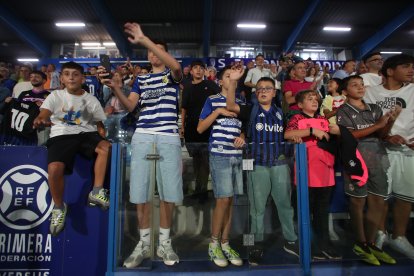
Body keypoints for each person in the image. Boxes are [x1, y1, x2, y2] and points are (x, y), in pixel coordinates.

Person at [101, 22, 183, 267]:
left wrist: (144, 39)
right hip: (143, 136)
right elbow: (131, 107)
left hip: (168, 137)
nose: (152, 54)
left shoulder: (171, 75)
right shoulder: (141, 81)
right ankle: (144, 242)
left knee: (168, 194)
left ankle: (165, 244)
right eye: (149, 51)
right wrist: (117, 88)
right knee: (140, 193)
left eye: (157, 50)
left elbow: (177, 66)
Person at [226, 74, 299, 265]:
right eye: (259, 89)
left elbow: (289, 133)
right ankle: (254, 245)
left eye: (267, 88)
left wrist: (294, 137)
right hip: (256, 164)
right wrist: (233, 83)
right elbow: (230, 106)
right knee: (256, 209)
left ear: (274, 93)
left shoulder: (282, 113)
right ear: (255, 92)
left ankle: (291, 241)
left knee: (285, 206)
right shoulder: (250, 110)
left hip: (280, 163)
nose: (263, 91)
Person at [33, 61, 111, 236]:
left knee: (105, 147)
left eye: (75, 74)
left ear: (83, 78)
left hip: (86, 134)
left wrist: (102, 134)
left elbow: (99, 124)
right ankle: (59, 207)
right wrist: (41, 119)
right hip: (61, 135)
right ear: (61, 78)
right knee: (54, 169)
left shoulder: (91, 99)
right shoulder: (55, 96)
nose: (71, 77)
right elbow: (44, 113)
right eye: (67, 74)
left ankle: (97, 191)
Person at [337, 75, 399, 265]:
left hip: (377, 157)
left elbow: (381, 134)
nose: (360, 87)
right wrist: (378, 125)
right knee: (358, 202)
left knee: (378, 202)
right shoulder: (342, 111)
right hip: (355, 158)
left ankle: (371, 243)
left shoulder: (374, 108)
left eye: (362, 85)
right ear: (345, 91)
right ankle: (360, 243)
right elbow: (349, 135)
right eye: (354, 85)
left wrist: (389, 122)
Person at [364, 54, 414, 260]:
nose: (411, 70)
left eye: (412, 66)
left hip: (409, 150)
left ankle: (399, 236)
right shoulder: (371, 93)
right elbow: (366, 122)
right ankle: (380, 234)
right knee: (380, 197)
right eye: (406, 66)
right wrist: (386, 135)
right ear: (390, 71)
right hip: (379, 149)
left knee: (405, 197)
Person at [284, 89, 341, 260]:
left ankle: (324, 246)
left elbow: (334, 138)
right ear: (300, 105)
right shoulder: (297, 118)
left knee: (322, 213)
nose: (314, 101)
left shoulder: (324, 119)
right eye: (309, 99)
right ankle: (307, 246)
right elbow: (287, 134)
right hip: (305, 173)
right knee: (304, 213)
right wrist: (310, 131)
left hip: (326, 172)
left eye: (316, 99)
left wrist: (337, 132)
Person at [197, 65, 245, 268]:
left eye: (233, 76)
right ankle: (213, 242)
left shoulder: (240, 102)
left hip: (237, 156)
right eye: (227, 76)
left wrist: (242, 137)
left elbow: (243, 129)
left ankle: (225, 242)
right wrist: (217, 111)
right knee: (222, 199)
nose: (231, 78)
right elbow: (200, 128)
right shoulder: (211, 100)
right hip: (219, 154)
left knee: (230, 200)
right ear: (220, 81)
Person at [181, 60, 220, 202]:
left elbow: (221, 99)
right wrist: (182, 127)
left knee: (204, 160)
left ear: (205, 71)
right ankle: (200, 189)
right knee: (197, 160)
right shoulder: (187, 87)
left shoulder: (211, 85)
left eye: (201, 68)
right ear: (191, 71)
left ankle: (201, 191)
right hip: (191, 127)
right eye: (195, 68)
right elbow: (184, 108)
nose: (198, 70)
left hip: (208, 128)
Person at [1, 70, 50, 145]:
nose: (33, 78)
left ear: (44, 80)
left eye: (37, 77)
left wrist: (43, 107)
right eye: (31, 77)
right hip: (23, 127)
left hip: (39, 126)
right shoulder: (24, 93)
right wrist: (9, 102)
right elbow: (17, 108)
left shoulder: (50, 96)